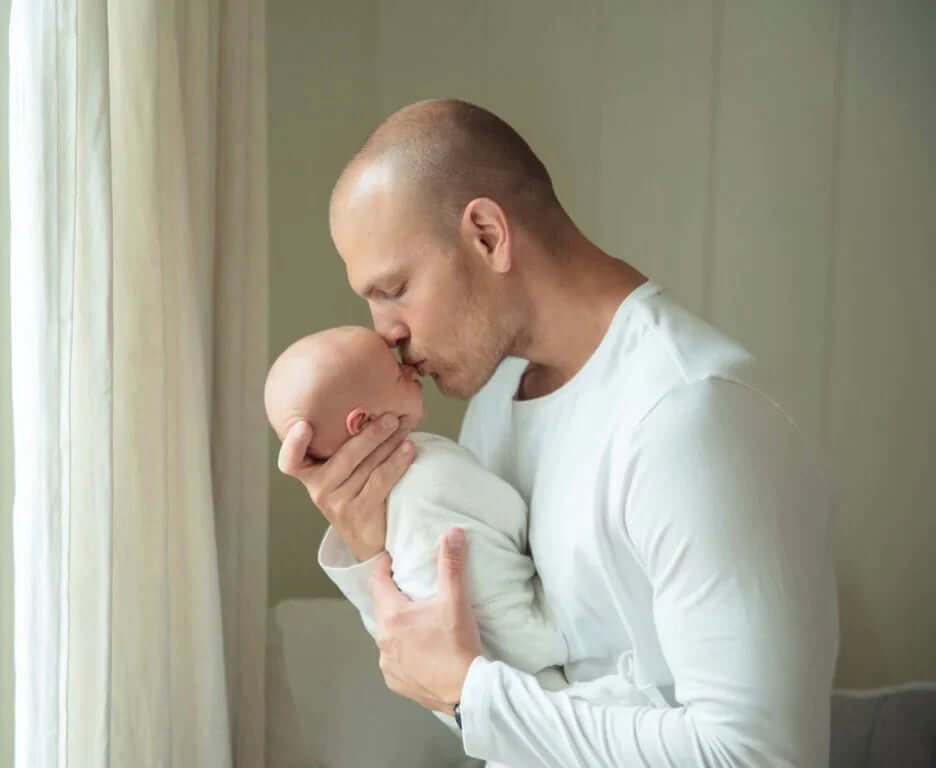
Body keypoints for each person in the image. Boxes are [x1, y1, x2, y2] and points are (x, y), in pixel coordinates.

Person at [276, 99, 840, 767]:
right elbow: (496, 706)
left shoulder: (693, 413)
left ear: (487, 234)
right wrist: (378, 552)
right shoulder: (497, 396)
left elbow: (760, 756)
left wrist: (470, 693)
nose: (382, 332)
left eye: (393, 288)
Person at [264, 326, 664, 735]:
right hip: (533, 669)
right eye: (396, 372)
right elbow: (447, 641)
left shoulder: (434, 459)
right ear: (362, 421)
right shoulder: (428, 483)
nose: (408, 364)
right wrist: (366, 552)